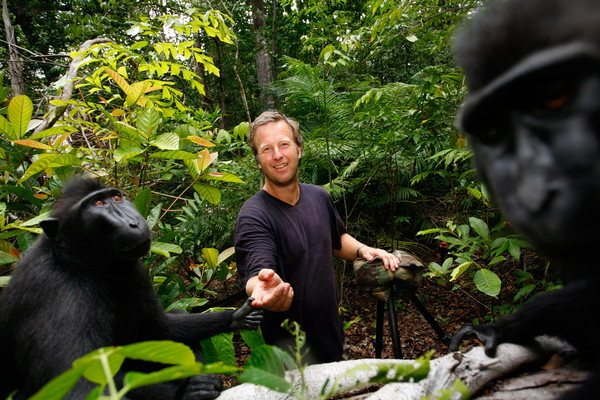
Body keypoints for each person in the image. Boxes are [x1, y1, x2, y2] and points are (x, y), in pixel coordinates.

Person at [234, 110, 400, 363]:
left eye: (284, 145)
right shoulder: (254, 215)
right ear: (258, 160)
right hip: (290, 355)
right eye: (266, 149)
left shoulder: (318, 196)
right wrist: (262, 288)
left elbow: (335, 239)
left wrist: (363, 250)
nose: (277, 155)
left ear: (299, 149)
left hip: (330, 336)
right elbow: (257, 271)